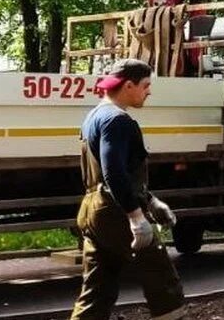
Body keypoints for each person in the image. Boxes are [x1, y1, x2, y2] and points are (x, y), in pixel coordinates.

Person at [71, 59, 186, 320]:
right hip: (115, 212)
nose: (149, 91)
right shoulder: (117, 120)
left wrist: (151, 200)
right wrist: (136, 217)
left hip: (93, 208)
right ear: (129, 85)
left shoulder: (94, 116)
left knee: (97, 289)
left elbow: (107, 171)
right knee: (162, 279)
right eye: (146, 85)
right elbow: (113, 171)